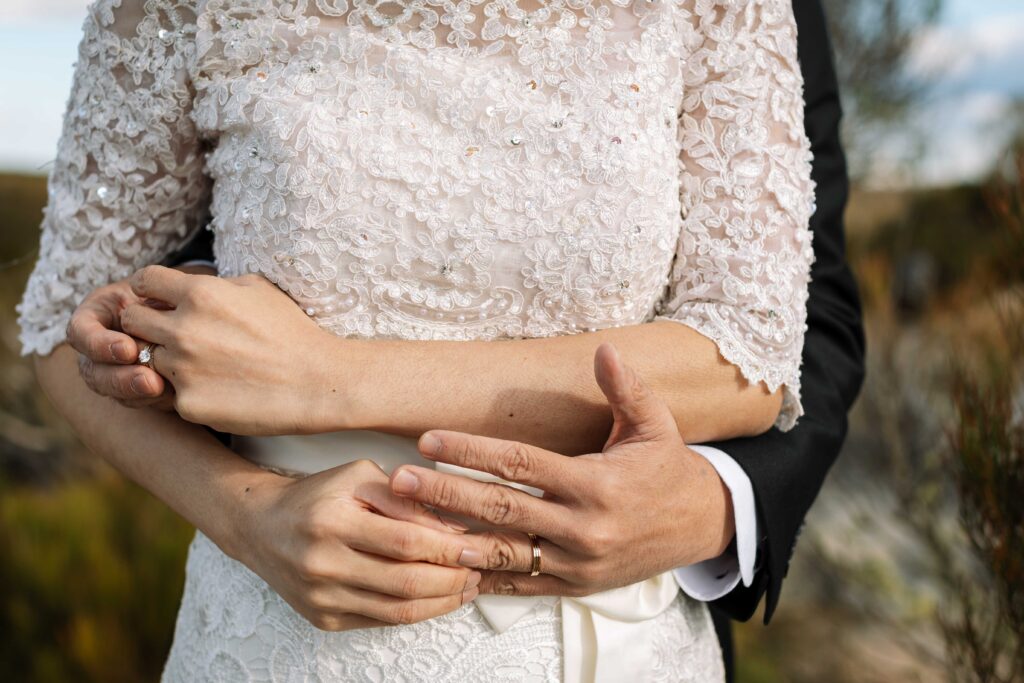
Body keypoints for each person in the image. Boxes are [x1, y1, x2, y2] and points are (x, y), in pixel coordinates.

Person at [16, 1, 854, 681]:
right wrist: (246, 515)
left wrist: (332, 379)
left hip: (623, 650)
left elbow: (754, 349)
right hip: (285, 639)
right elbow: (59, 323)